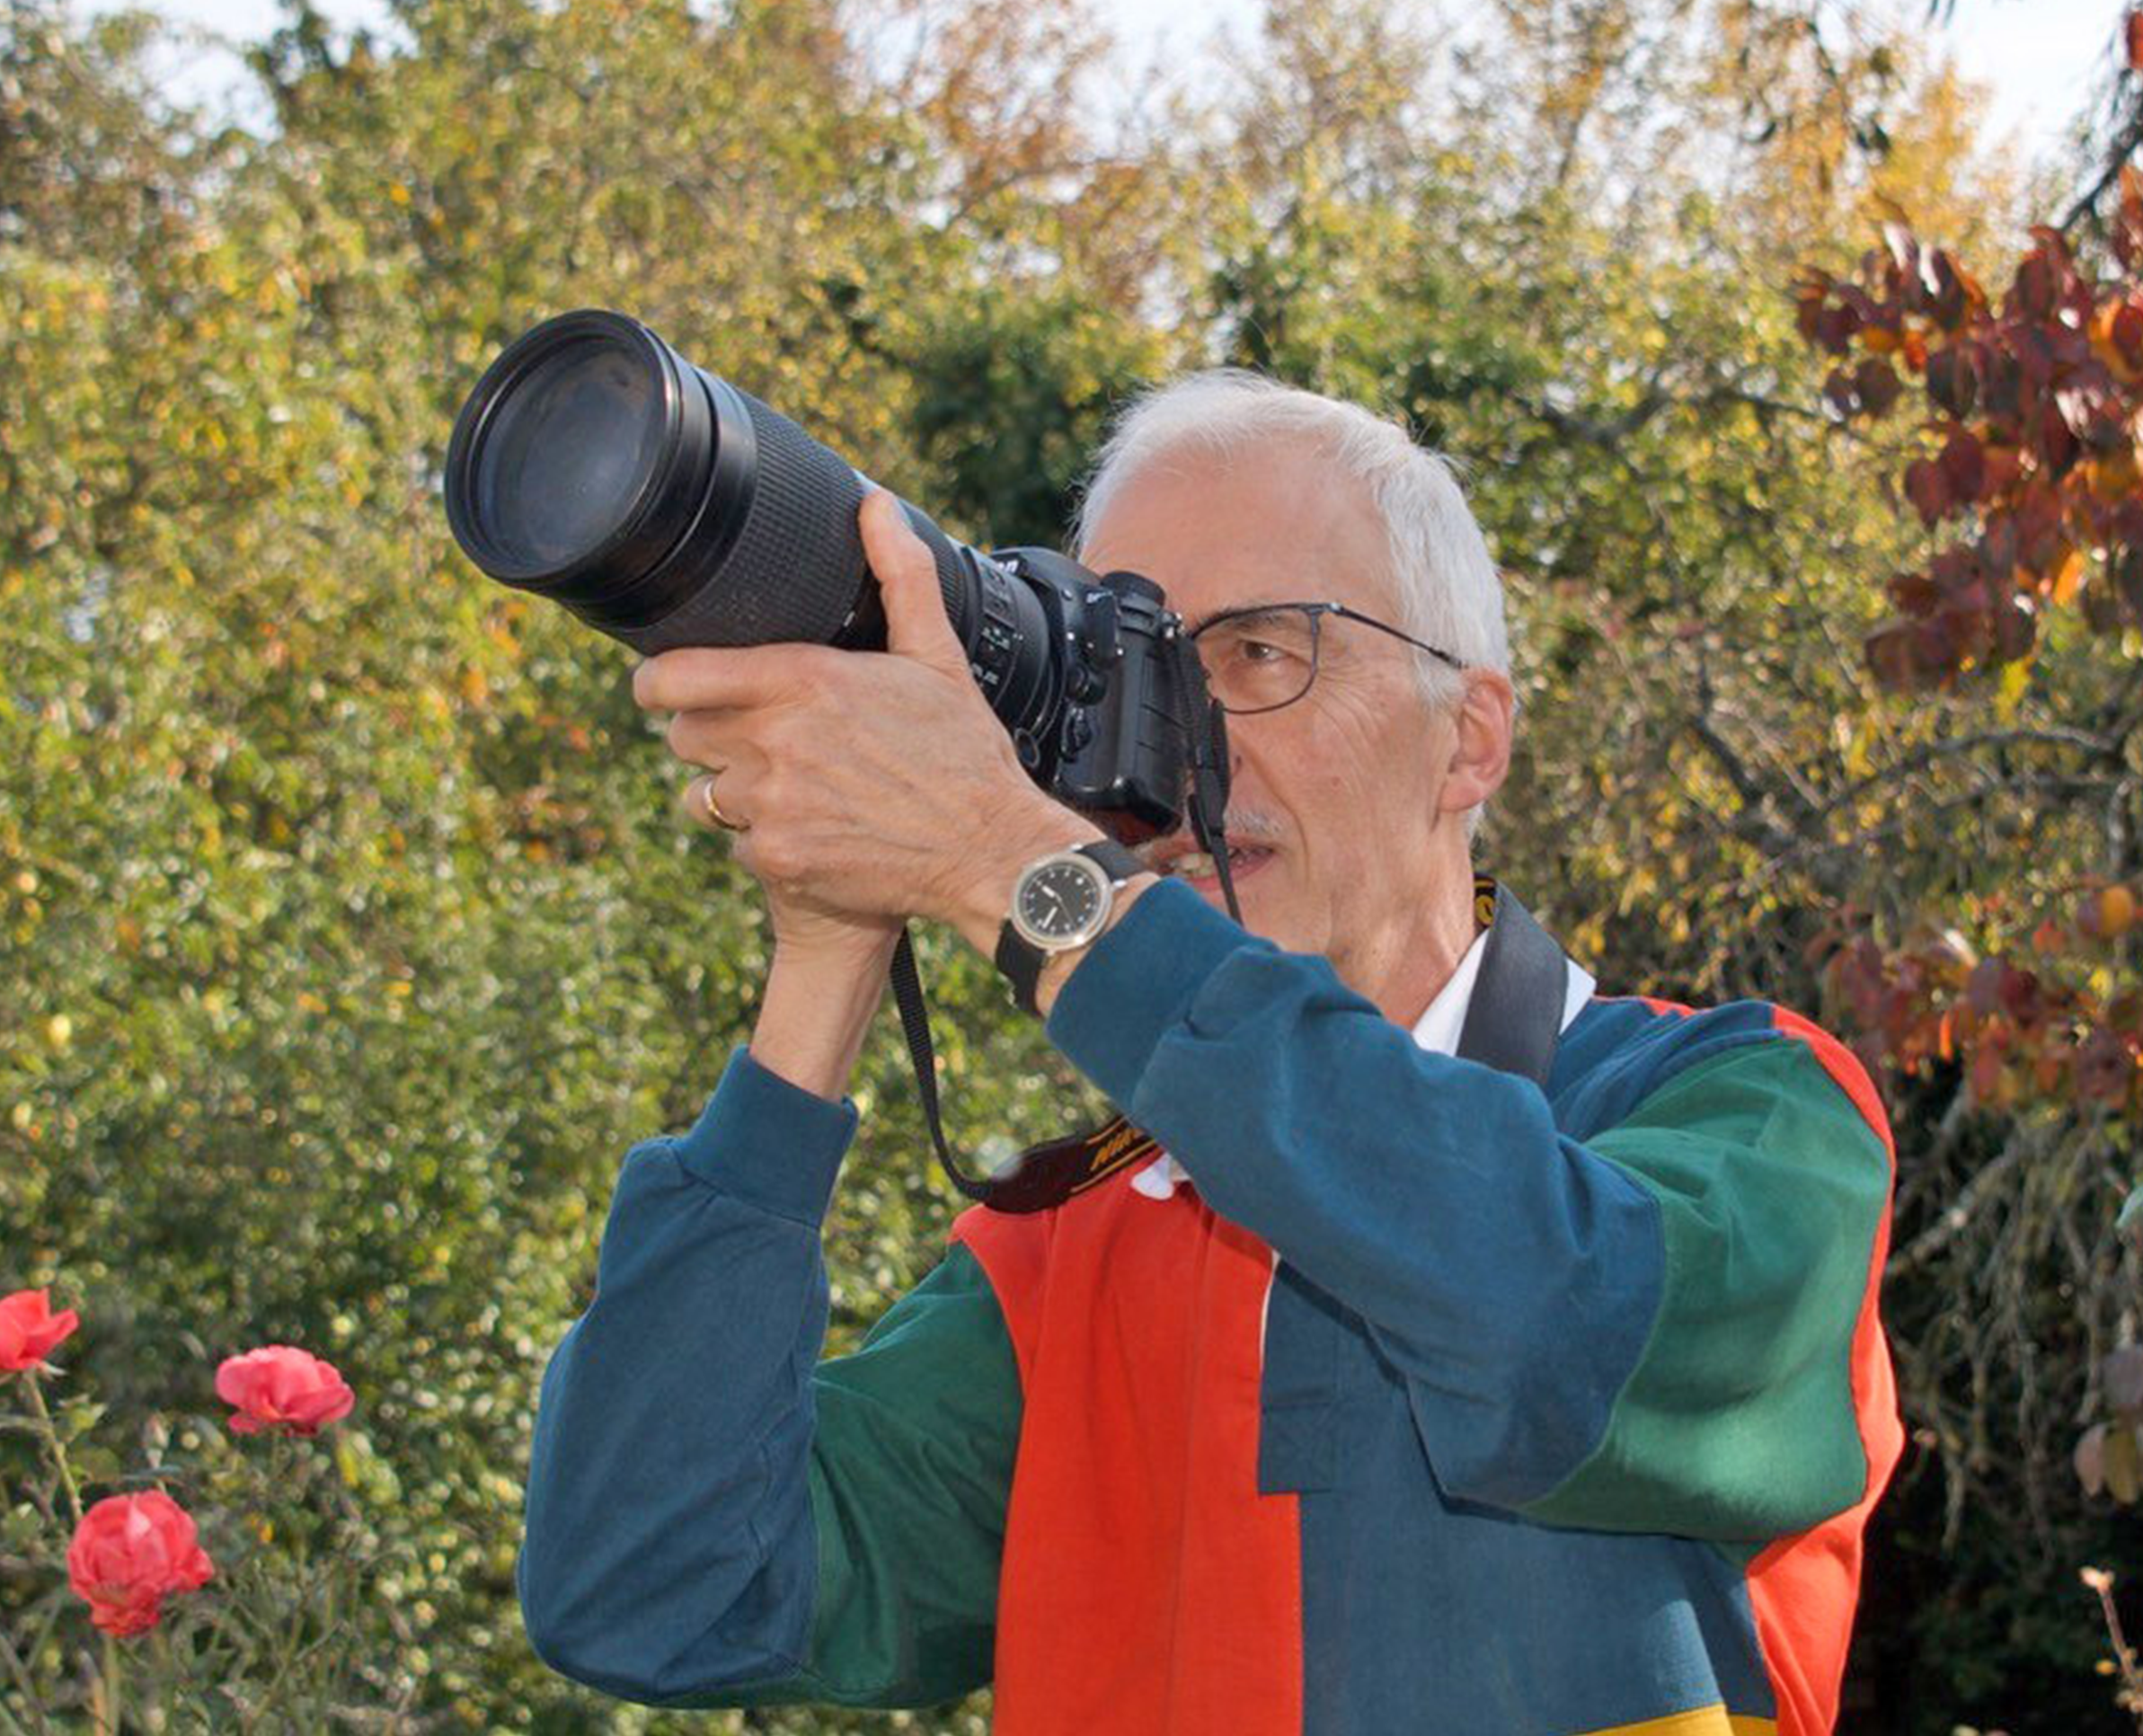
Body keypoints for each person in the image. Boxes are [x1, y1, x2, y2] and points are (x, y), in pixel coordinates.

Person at [518, 371, 1902, 1736]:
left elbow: (1543, 1321)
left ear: (1470, 737)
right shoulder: (1073, 1255)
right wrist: (826, 961)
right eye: (1130, 669)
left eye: (1257, 653)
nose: (1182, 748)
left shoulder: (1745, 1114)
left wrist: (1021, 872)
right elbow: (653, 1583)